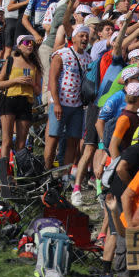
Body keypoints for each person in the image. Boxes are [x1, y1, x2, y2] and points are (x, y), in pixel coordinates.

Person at [46, 26, 91, 173]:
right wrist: (57, 103)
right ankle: (47, 171)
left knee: (73, 140)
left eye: (86, 36)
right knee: (53, 138)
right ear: (74, 37)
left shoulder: (88, 58)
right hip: (60, 103)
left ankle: (65, 175)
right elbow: (52, 79)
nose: (84, 39)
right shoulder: (61, 54)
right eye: (81, 36)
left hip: (77, 106)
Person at [0, 35, 43, 165]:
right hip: (9, 99)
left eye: (32, 43)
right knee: (7, 141)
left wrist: (32, 84)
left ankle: (19, 174)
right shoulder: (11, 60)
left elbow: (38, 91)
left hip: (26, 102)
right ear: (19, 45)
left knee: (21, 143)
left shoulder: (35, 65)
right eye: (27, 42)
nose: (30, 45)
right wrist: (16, 80)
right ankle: (3, 177)